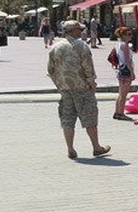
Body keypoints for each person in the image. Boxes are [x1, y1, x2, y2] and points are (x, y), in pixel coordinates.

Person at [47, 20, 110, 160]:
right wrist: (92, 81)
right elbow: (88, 66)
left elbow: (50, 70)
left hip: (65, 89)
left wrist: (59, 84)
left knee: (67, 118)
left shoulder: (55, 47)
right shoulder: (81, 46)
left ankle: (70, 149)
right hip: (82, 88)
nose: (81, 32)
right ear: (73, 31)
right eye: (79, 30)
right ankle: (96, 147)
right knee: (90, 116)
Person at [112, 27, 136, 122]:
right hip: (126, 70)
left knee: (120, 93)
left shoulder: (118, 44)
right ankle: (121, 113)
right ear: (124, 35)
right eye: (129, 34)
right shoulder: (124, 46)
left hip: (121, 70)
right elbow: (127, 60)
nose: (131, 36)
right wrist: (132, 72)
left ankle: (117, 112)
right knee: (124, 94)